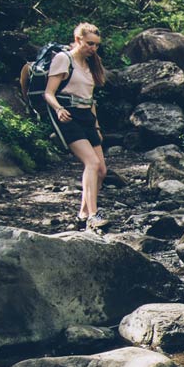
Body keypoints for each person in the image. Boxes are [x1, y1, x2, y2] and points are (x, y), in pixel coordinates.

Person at [41, 22, 110, 229]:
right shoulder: (63, 59)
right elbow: (48, 93)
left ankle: (82, 214)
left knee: (102, 171)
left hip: (87, 117)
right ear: (78, 39)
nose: (93, 48)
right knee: (92, 163)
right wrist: (59, 109)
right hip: (68, 117)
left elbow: (90, 99)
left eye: (96, 45)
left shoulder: (90, 65)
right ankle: (93, 215)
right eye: (90, 43)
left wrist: (97, 126)